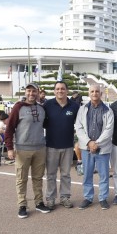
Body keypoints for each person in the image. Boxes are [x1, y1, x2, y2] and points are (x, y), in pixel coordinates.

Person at [4, 82, 50, 219]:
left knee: (38, 178)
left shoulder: (42, 109)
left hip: (40, 148)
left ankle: (39, 202)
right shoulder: (18, 108)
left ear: (37, 93)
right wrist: (10, 148)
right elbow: (9, 129)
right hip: (22, 149)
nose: (31, 94)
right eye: (29, 91)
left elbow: (47, 125)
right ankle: (22, 205)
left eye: (34, 91)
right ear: (25, 92)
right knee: (21, 179)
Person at [75, 84, 114, 210]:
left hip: (102, 148)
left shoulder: (108, 110)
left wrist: (97, 143)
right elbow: (78, 127)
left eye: (97, 91)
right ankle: (88, 197)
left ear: (101, 94)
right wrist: (89, 142)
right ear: (89, 93)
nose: (94, 93)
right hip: (86, 148)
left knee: (103, 175)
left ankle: (103, 198)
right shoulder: (82, 109)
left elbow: (109, 130)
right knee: (87, 174)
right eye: (92, 91)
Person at [44, 81, 79, 210]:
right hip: (51, 145)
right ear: (54, 91)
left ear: (67, 91)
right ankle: (51, 198)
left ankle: (65, 197)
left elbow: (79, 124)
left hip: (68, 146)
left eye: (62, 89)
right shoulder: (47, 105)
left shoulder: (74, 106)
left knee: (66, 174)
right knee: (51, 174)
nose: (60, 91)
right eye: (57, 89)